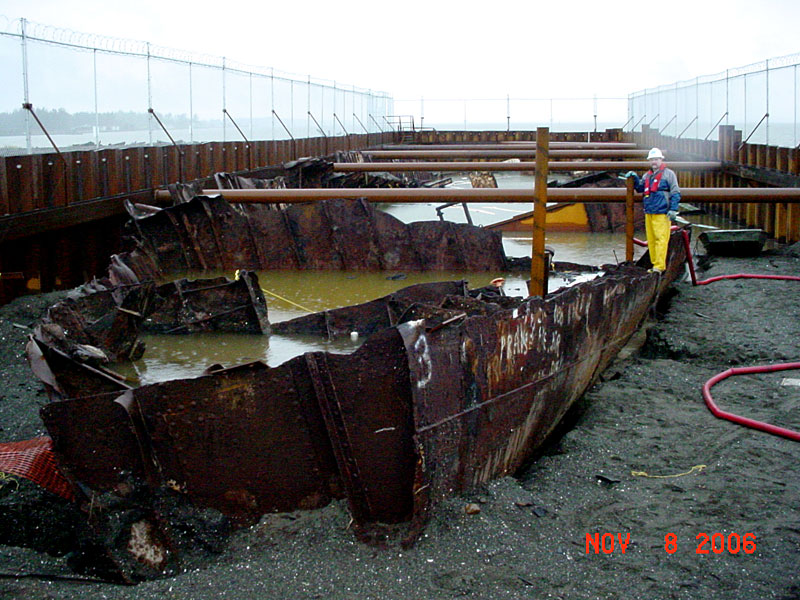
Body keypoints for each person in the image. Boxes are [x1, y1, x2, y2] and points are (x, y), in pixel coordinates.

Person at [623, 148, 681, 272]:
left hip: (661, 212)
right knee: (652, 240)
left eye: (656, 159)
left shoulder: (669, 174)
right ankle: (655, 264)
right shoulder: (647, 176)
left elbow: (675, 192)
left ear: (661, 160)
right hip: (649, 211)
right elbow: (640, 189)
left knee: (661, 239)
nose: (654, 162)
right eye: (652, 160)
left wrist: (673, 209)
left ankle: (659, 267)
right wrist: (634, 179)